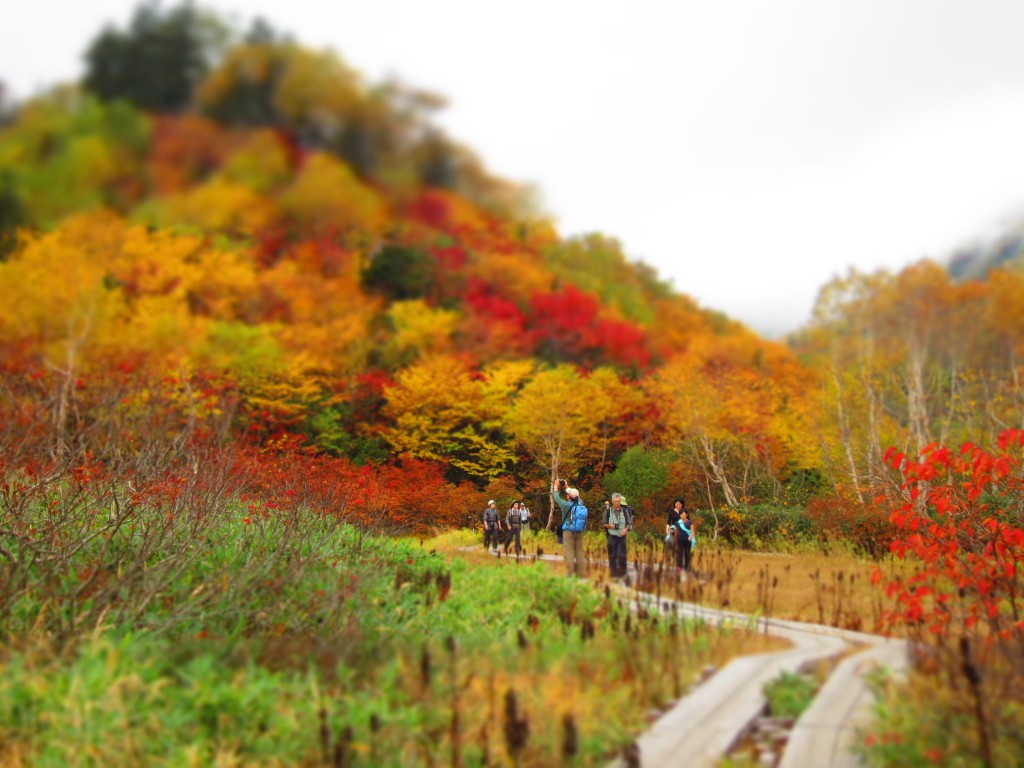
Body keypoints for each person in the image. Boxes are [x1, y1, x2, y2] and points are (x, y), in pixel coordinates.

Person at [553, 479, 587, 578]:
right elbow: (575, 495)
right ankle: (581, 574)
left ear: (568, 497)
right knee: (579, 551)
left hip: (568, 530)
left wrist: (556, 486)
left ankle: (570, 574)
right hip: (580, 530)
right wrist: (566, 486)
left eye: (568, 494)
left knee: (569, 551)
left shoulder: (565, 505)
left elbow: (556, 497)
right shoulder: (580, 502)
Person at [602, 492, 632, 579]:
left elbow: (629, 524)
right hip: (611, 536)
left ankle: (623, 573)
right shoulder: (607, 512)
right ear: (612, 501)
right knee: (612, 556)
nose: (617, 503)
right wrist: (609, 526)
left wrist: (626, 529)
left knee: (622, 555)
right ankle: (613, 574)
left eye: (618, 501)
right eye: (615, 501)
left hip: (622, 536)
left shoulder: (625, 512)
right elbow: (603, 524)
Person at [666, 497, 686, 572]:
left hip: (682, 531)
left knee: (682, 548)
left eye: (679, 504)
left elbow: (688, 521)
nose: (678, 505)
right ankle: (675, 562)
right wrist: (667, 530)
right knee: (674, 547)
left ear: (682, 504)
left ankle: (681, 564)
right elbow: (668, 522)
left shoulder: (684, 511)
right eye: (676, 503)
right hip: (673, 530)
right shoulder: (671, 512)